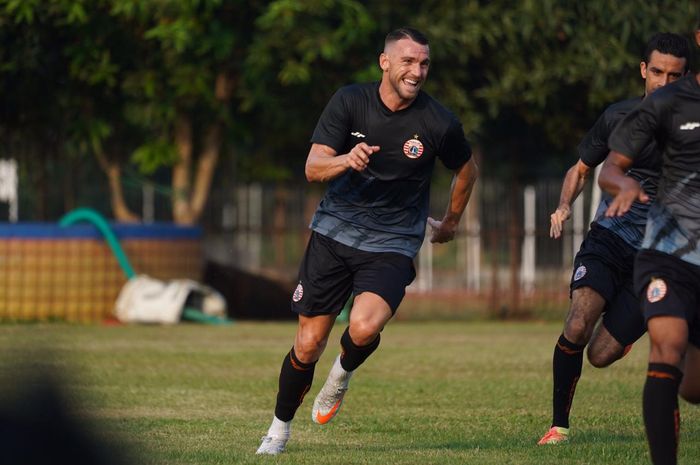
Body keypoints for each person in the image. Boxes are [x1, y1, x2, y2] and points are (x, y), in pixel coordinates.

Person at [256, 27, 478, 455]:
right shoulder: (350, 101)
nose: (417, 71)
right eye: (409, 61)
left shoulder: (439, 122)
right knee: (307, 343)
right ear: (385, 62)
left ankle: (340, 374)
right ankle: (278, 430)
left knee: (363, 325)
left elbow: (466, 171)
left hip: (393, 240)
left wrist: (450, 221)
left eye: (425, 63)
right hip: (334, 230)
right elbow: (313, 167)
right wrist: (345, 159)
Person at [538, 33, 690, 446]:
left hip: (660, 255)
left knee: (600, 354)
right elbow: (583, 168)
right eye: (657, 72)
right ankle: (558, 427)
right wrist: (564, 205)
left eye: (674, 75)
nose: (664, 82)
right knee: (578, 320)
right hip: (610, 236)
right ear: (643, 70)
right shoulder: (619, 116)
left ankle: (625, 328)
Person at [599, 24, 700, 465]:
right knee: (667, 344)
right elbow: (610, 168)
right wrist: (623, 185)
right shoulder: (665, 104)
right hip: (668, 252)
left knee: (693, 387)